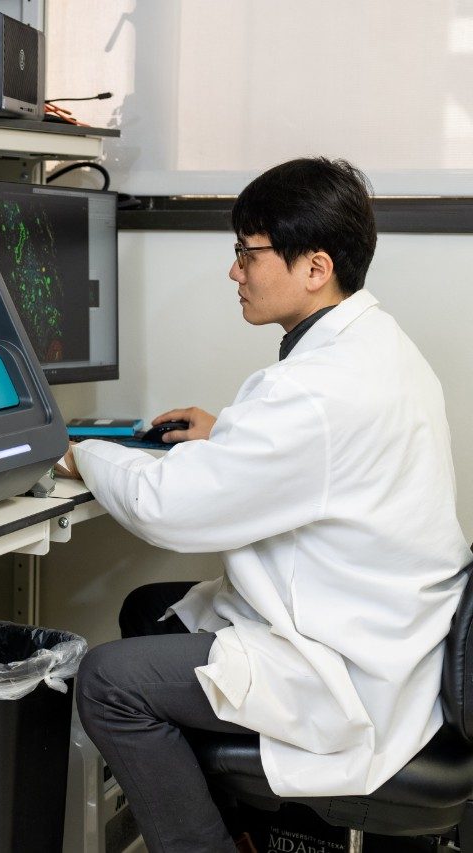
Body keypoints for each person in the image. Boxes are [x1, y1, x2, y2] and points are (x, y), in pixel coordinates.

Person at [53, 157, 470, 853]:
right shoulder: (374, 345)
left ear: (315, 267)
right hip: (392, 627)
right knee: (150, 610)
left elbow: (169, 509)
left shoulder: (317, 390)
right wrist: (229, 434)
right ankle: (242, 832)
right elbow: (323, 454)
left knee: (106, 681)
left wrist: (79, 453)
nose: (234, 272)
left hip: (352, 664)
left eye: (248, 253)